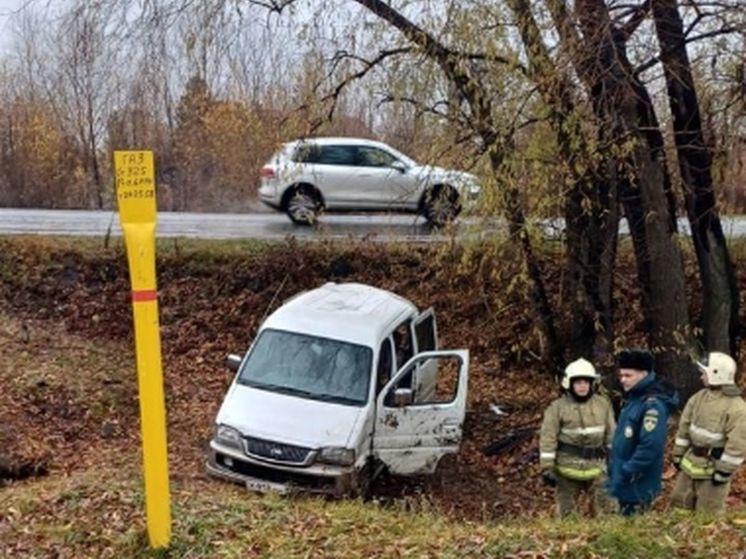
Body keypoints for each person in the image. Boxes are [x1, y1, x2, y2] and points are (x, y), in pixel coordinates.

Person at [670, 352, 746, 513]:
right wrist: (678, 454)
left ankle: (700, 538)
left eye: (704, 373)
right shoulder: (698, 398)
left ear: (716, 374)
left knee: (708, 512)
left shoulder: (736, 408)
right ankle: (678, 535)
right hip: (690, 463)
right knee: (680, 502)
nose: (701, 377)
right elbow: (684, 428)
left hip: (714, 469)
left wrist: (725, 470)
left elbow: (738, 442)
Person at [539, 358, 616, 517]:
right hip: (567, 469)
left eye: (586, 382)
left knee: (608, 512)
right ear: (569, 383)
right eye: (578, 382)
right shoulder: (557, 408)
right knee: (566, 514)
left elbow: (612, 435)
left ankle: (607, 539)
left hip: (597, 467)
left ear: (592, 383)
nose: (582, 386)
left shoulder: (603, 404)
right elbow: (548, 438)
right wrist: (547, 468)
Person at [607, 349, 679, 516]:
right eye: (621, 376)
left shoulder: (652, 406)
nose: (623, 380)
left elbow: (650, 445)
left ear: (643, 374)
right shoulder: (634, 399)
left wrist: (628, 470)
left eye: (628, 375)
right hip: (625, 482)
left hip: (636, 483)